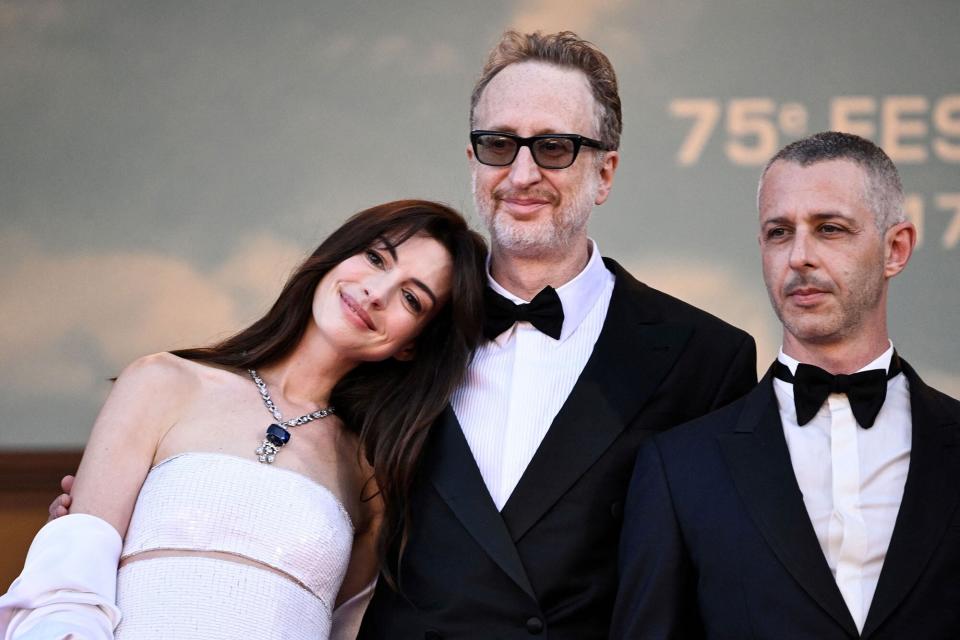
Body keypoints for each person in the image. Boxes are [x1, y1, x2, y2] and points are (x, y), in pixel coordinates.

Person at [355, 32, 758, 639]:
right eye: (498, 144)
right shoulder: (399, 328)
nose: (522, 173)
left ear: (605, 173)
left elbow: (720, 587)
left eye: (554, 147)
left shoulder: (705, 357)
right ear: (473, 161)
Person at [0, 199, 488, 640]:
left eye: (412, 299)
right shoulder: (163, 382)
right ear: (335, 258)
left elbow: (347, 630)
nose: (376, 292)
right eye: (377, 258)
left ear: (412, 345)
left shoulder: (370, 474)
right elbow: (69, 584)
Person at [611, 131, 960, 639]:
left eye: (830, 229)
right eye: (779, 232)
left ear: (896, 248)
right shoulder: (680, 468)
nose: (799, 256)